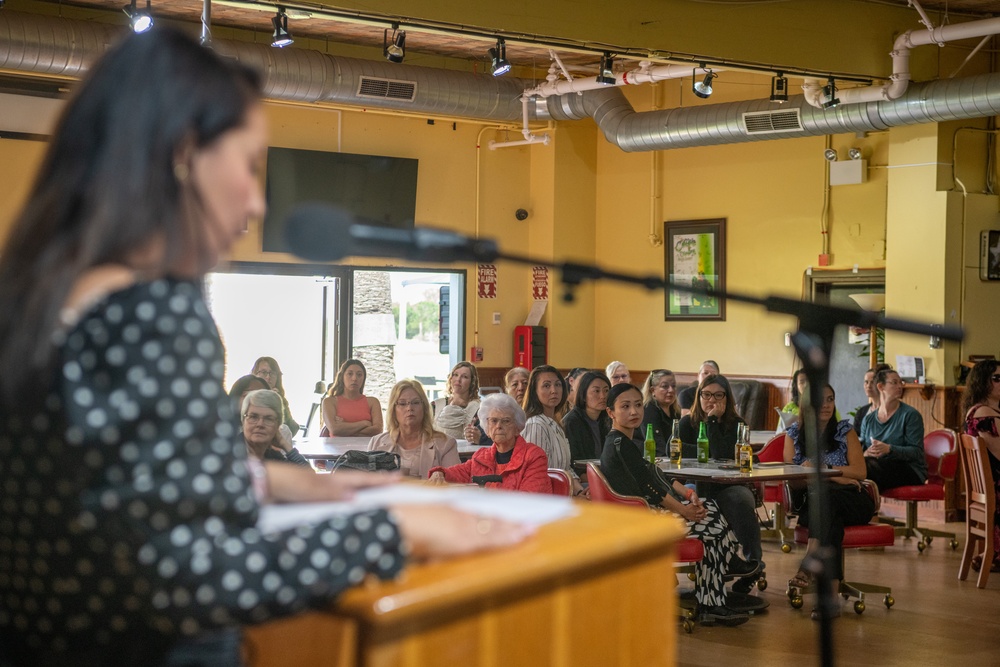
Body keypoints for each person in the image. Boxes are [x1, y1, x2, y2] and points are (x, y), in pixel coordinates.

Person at [0, 28, 529, 666]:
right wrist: (392, 530)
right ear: (181, 155)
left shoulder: (36, 290)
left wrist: (273, 482)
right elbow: (190, 578)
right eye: (248, 166)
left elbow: (109, 491)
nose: (254, 203)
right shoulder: (153, 314)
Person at [599, 384, 758, 627]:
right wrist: (683, 509)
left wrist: (686, 493)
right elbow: (651, 488)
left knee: (710, 511)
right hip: (642, 522)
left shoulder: (625, 441)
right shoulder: (619, 444)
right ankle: (717, 590)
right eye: (625, 406)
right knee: (713, 522)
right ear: (611, 412)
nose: (634, 411)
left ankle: (714, 600)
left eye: (638, 405)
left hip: (646, 514)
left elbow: (653, 473)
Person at [783, 384, 876, 614]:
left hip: (853, 501)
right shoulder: (793, 434)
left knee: (828, 503)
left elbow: (860, 472)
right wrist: (837, 478)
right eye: (819, 400)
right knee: (829, 513)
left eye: (830, 399)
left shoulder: (845, 431)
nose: (825, 405)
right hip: (812, 503)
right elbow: (792, 479)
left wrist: (823, 470)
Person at [678, 374, 763, 590]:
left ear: (727, 399)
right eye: (706, 395)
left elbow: (718, 455)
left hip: (729, 484)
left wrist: (713, 423)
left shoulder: (737, 424)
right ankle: (722, 563)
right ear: (699, 396)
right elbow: (689, 453)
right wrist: (710, 428)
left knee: (740, 499)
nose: (711, 400)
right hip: (694, 485)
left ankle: (754, 564)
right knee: (697, 498)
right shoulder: (687, 423)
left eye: (718, 395)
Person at [428, 393, 552, 493]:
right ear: (486, 429)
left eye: (506, 421)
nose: (499, 426)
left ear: (517, 427)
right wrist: (440, 473)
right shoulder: (481, 457)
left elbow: (531, 500)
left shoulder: (533, 456)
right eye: (493, 421)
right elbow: (457, 473)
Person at [368, 379, 460, 479]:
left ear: (424, 407)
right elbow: (366, 485)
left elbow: (455, 485)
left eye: (415, 403)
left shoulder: (445, 444)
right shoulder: (376, 442)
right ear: (393, 410)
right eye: (402, 404)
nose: (409, 408)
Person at [860, 368, 926, 492]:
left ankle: (866, 507)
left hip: (909, 470)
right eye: (894, 382)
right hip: (878, 466)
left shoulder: (910, 415)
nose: (900, 386)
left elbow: (917, 452)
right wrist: (867, 453)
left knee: (867, 468)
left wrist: (889, 449)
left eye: (901, 382)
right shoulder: (868, 420)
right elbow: (861, 449)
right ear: (881, 387)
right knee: (859, 467)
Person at [521, 365, 584, 495]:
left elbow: (566, 469)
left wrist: (580, 492)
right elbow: (538, 473)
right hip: (547, 498)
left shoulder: (555, 424)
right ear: (534, 391)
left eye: (558, 385)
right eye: (546, 386)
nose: (554, 390)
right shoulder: (536, 424)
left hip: (564, 491)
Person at [962, 360, 1000, 573]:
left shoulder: (983, 411)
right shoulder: (984, 414)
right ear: (982, 382)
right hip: (995, 489)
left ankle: (991, 553)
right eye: (997, 378)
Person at [242, 389, 310, 467]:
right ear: (243, 421)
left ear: (277, 426)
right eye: (253, 417)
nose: (260, 424)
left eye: (268, 419)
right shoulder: (230, 453)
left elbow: (310, 477)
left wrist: (285, 444)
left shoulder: (273, 456)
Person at [320, 358, 384, 437]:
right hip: (337, 448)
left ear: (364, 378)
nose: (354, 378)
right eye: (350, 374)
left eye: (359, 374)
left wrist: (344, 427)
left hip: (366, 448)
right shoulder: (330, 402)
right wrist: (364, 423)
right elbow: (334, 429)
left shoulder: (373, 402)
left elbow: (378, 430)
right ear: (342, 377)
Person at [562, 371, 612, 462]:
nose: (603, 396)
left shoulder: (607, 419)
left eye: (606, 390)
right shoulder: (571, 422)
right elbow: (574, 461)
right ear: (583, 395)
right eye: (596, 391)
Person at [433, 361, 482, 441]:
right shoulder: (436, 405)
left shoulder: (479, 409)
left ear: (472, 382)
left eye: (464, 377)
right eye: (455, 375)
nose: (458, 379)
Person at [251, 355, 300, 436]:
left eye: (272, 373)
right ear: (255, 374)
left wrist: (280, 403)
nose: (268, 377)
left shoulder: (279, 397)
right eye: (263, 372)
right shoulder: (248, 397)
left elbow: (292, 429)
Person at [640, 369, 680, 457]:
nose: (671, 390)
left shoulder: (676, 411)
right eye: (665, 386)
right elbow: (658, 447)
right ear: (652, 390)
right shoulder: (648, 410)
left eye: (673, 386)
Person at [853, 363, 892, 436]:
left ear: (881, 385)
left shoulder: (892, 411)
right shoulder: (861, 412)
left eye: (872, 382)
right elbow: (855, 439)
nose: (868, 386)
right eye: (866, 382)